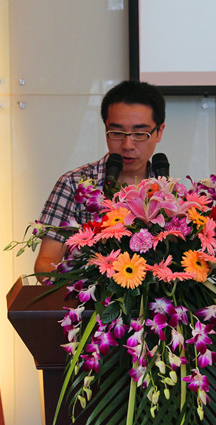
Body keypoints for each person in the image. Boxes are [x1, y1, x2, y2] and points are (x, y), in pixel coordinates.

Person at [34, 80, 166, 279]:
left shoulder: (167, 192)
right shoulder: (73, 184)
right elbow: (46, 261)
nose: (128, 144)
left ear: (159, 132)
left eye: (140, 134)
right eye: (117, 133)